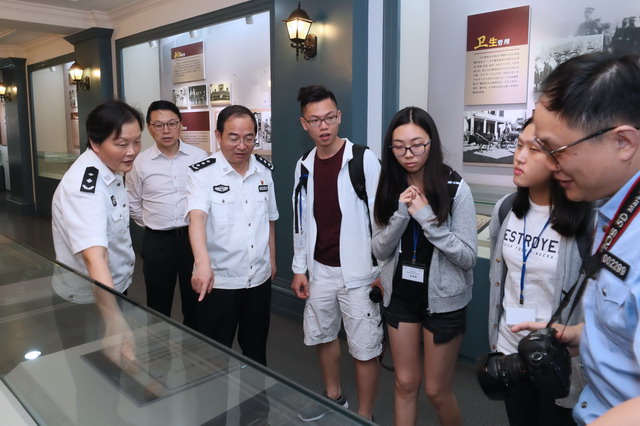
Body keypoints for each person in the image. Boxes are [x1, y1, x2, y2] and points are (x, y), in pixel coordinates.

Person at [512, 52, 640, 425]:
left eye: (556, 150)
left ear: (623, 142)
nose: (550, 166)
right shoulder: (614, 212)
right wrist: (585, 335)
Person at [371, 106, 476, 426]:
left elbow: (468, 257)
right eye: (399, 147)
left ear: (431, 142)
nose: (408, 154)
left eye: (417, 145)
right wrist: (401, 215)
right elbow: (379, 249)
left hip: (445, 301)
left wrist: (427, 219)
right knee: (404, 383)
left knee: (436, 390)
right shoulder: (388, 186)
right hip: (401, 296)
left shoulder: (455, 187)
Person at [488, 118, 592, 426]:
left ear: (560, 159)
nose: (519, 157)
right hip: (510, 350)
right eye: (519, 145)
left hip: (557, 358)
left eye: (534, 149)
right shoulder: (505, 209)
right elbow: (500, 278)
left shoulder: (587, 221)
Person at [291, 85, 382, 421]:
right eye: (315, 120)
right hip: (319, 270)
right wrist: (299, 268)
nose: (324, 126)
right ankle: (334, 398)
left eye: (329, 117)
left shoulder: (362, 159)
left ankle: (364, 416)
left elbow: (382, 220)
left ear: (339, 116)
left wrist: (382, 272)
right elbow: (300, 221)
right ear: (304, 124)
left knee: (364, 346)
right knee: (323, 334)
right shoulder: (304, 164)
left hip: (359, 273)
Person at [187, 104, 278, 365]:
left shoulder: (264, 171)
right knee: (214, 358)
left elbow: (270, 219)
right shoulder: (202, 173)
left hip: (258, 280)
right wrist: (202, 265)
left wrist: (272, 260)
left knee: (256, 355)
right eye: (233, 137)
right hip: (219, 282)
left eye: (249, 138)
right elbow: (196, 219)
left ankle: (256, 395)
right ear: (218, 136)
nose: (242, 146)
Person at [126, 100, 207, 328]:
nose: (166, 130)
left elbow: (208, 199)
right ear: (149, 129)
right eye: (159, 125)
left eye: (172, 124)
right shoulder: (139, 162)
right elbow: (132, 203)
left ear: (181, 125)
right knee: (158, 304)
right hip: (157, 242)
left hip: (193, 240)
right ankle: (158, 346)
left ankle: (194, 346)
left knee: (196, 302)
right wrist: (153, 223)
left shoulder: (199, 157)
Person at [52, 100, 143, 300]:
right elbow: (95, 258)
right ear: (95, 143)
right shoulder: (86, 188)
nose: (132, 151)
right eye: (122, 144)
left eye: (137, 141)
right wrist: (113, 315)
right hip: (90, 296)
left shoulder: (112, 166)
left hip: (115, 285)